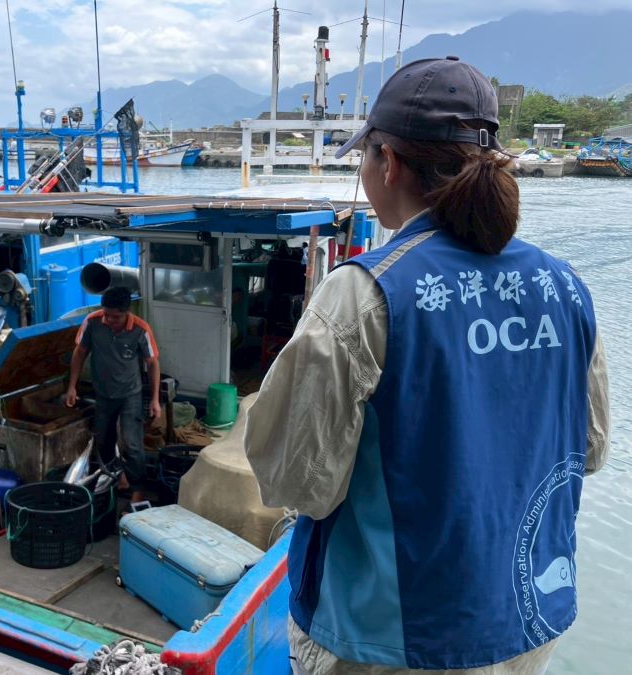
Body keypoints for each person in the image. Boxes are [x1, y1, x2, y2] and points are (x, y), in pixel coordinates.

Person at [244, 57, 610, 674]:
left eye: (366, 157)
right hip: (526, 620)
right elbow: (591, 449)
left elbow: (295, 481)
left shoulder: (363, 293)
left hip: (391, 639)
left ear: (387, 162)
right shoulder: (566, 287)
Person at [66, 286, 161, 504]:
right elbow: (80, 352)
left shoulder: (140, 329)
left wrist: (155, 399)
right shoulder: (92, 322)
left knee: (132, 443)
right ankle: (120, 478)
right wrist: (72, 386)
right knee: (104, 440)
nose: (109, 319)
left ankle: (138, 491)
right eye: (106, 314)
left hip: (130, 394)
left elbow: (152, 363)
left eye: (115, 317)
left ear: (127, 312)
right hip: (103, 394)